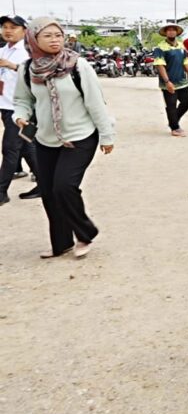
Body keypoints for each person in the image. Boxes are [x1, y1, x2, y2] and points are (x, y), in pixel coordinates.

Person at [12, 17, 115, 258]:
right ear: (33, 39)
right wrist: (21, 116)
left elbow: (95, 103)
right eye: (47, 36)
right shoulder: (27, 69)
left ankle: (85, 233)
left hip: (80, 136)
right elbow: (22, 100)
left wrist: (107, 136)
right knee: (48, 191)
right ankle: (61, 243)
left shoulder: (78, 66)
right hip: (46, 138)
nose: (55, 40)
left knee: (64, 186)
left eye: (58, 35)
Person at [0, 14, 39, 205]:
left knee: (10, 149)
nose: (8, 30)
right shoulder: (5, 50)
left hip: (20, 110)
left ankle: (1, 191)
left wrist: (12, 66)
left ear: (24, 31)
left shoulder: (27, 52)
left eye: (13, 27)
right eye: (4, 27)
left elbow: (35, 75)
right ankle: (44, 183)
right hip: (6, 106)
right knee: (27, 146)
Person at [153, 23, 188, 137]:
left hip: (182, 81)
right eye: (169, 30)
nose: (171, 32)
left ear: (177, 32)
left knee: (187, 102)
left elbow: (186, 62)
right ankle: (175, 127)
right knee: (171, 105)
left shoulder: (181, 46)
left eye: (173, 30)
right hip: (169, 82)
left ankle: (173, 120)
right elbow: (160, 65)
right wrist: (167, 81)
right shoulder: (160, 47)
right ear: (166, 33)